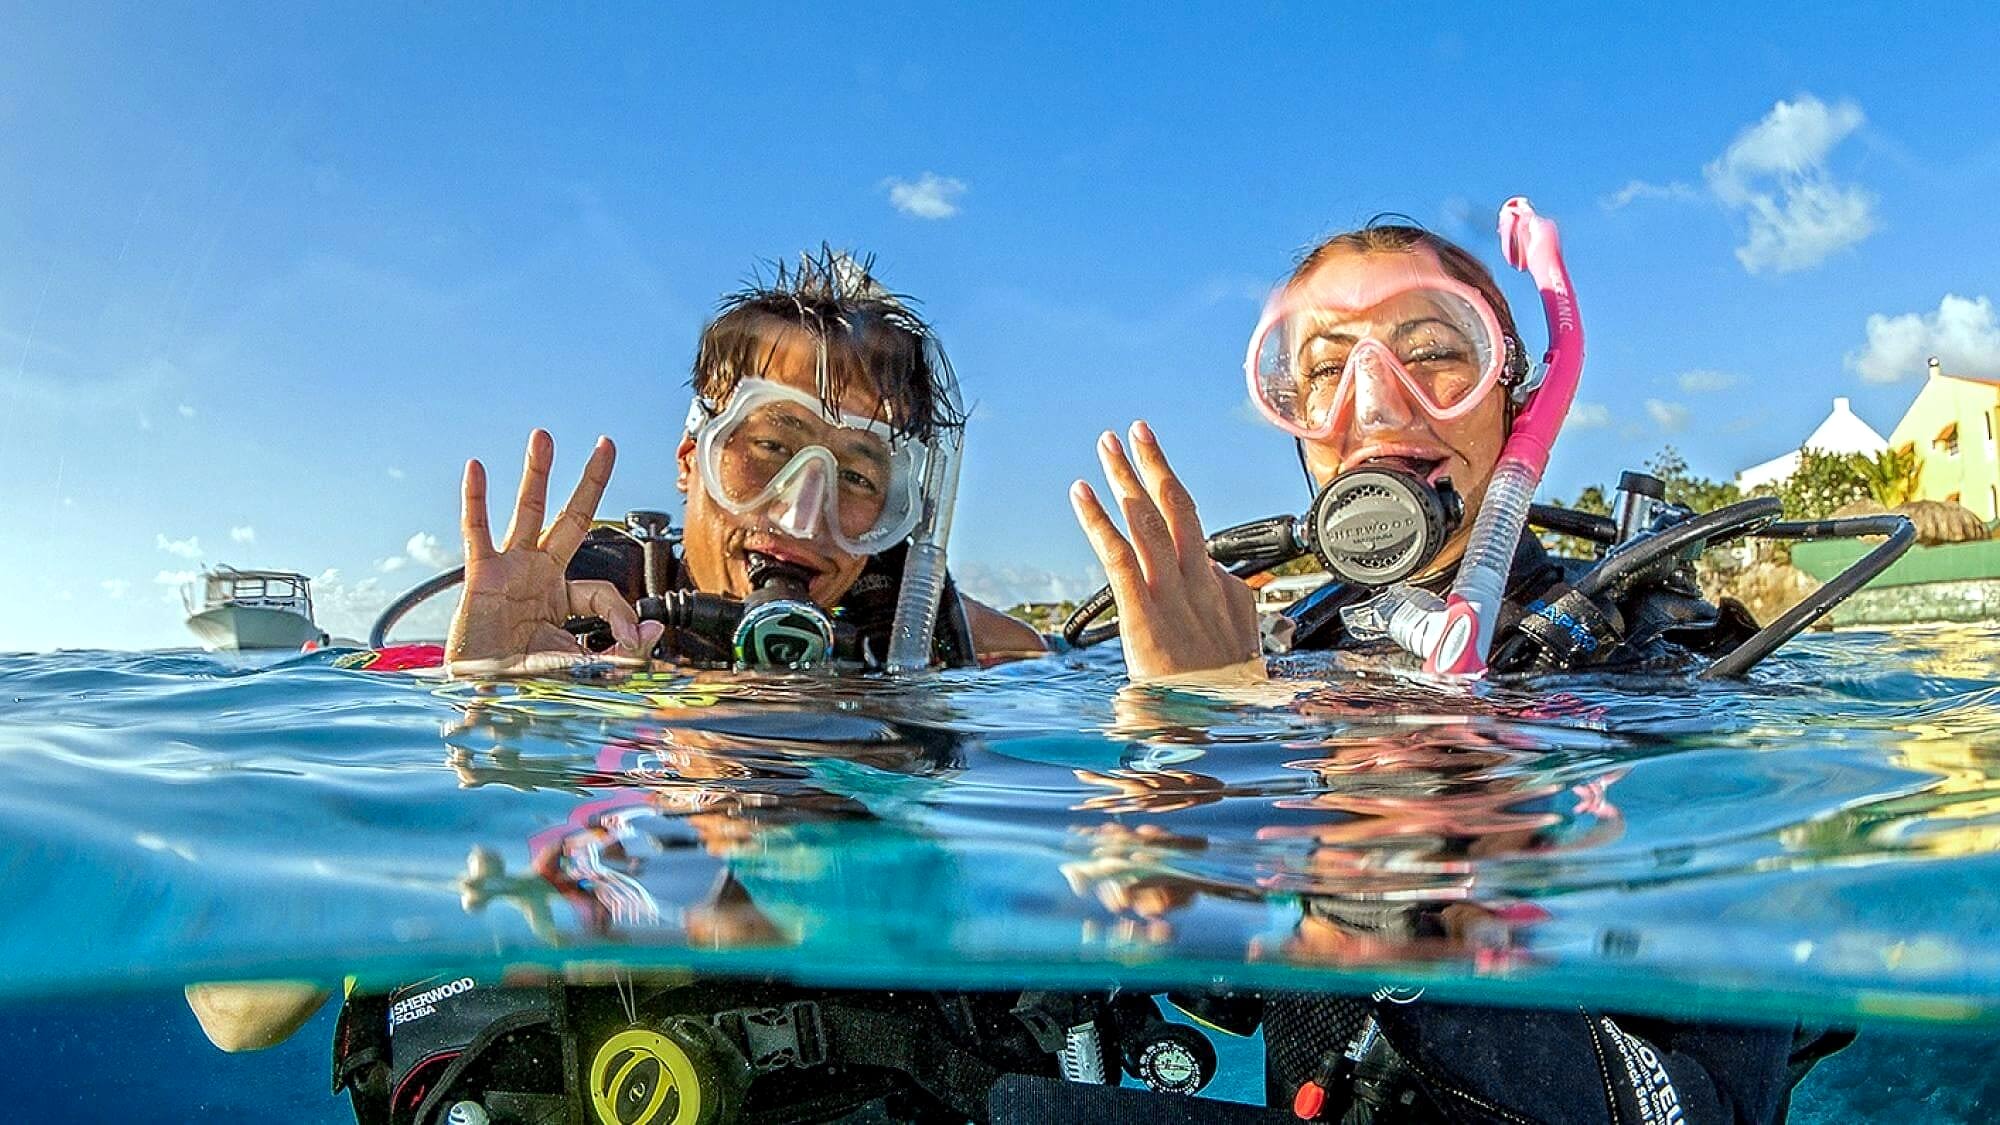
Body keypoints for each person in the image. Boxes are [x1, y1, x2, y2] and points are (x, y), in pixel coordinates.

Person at [186, 250, 1047, 1077]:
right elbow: (232, 1014)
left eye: (860, 473)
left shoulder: (908, 652)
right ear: (691, 460)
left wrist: (1180, 704)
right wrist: (464, 733)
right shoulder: (553, 645)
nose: (804, 513)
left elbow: (1043, 666)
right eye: (771, 447)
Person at [1070, 208, 1835, 1121]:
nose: (1378, 402)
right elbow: (1213, 985)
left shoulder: (1659, 666)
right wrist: (1188, 748)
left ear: (1517, 398)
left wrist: (1401, 950)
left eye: (1433, 350)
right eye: (1322, 368)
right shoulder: (1286, 661)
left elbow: (1712, 1104)